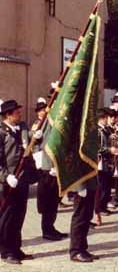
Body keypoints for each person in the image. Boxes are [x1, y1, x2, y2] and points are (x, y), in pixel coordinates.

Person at [0, 100, 37, 264]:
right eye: (17, 112)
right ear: (8, 115)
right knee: (7, 218)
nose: (20, 114)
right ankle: (6, 251)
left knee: (19, 216)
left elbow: (28, 147)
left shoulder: (21, 128)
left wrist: (37, 137)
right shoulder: (1, 133)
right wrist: (5, 176)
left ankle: (16, 248)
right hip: (7, 183)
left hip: (21, 180)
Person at [31, 98, 68, 241]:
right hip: (45, 165)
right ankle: (46, 229)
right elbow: (34, 144)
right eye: (41, 110)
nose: (43, 112)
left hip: (55, 165)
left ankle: (51, 227)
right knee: (47, 199)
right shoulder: (39, 124)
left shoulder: (53, 121)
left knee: (54, 199)